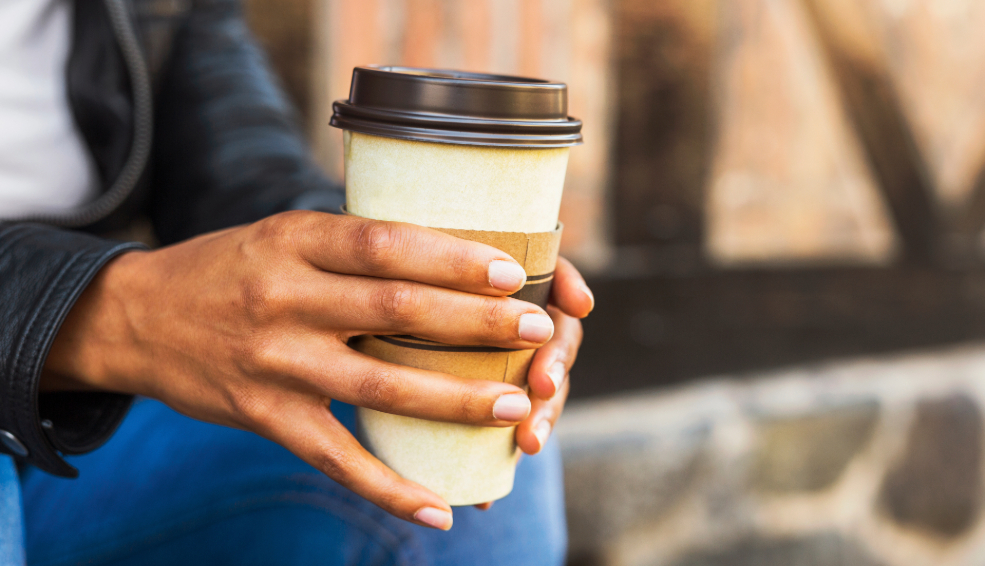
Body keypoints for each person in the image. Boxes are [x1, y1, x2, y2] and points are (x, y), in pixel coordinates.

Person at [0, 0, 591, 564]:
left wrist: (378, 277)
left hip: (81, 423)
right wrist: (112, 312)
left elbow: (236, 152)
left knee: (459, 411)